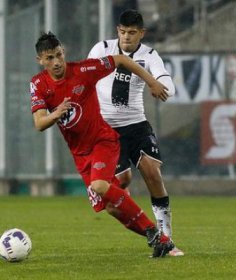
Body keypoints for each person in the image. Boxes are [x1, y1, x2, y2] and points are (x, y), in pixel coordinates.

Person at [29, 31, 174, 258]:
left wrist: (152, 82)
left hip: (103, 141)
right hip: (80, 155)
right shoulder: (38, 84)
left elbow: (122, 60)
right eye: (49, 58)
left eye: (59, 55)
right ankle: (155, 237)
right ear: (40, 60)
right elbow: (39, 123)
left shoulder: (84, 70)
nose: (56, 62)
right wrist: (56, 113)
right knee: (110, 207)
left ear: (63, 52)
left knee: (99, 186)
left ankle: (157, 234)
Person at [88, 9, 184, 256]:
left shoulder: (149, 55)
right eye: (122, 32)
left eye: (132, 33)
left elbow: (166, 81)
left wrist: (162, 86)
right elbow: (86, 79)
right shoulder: (102, 49)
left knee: (152, 171)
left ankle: (166, 238)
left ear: (142, 33)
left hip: (136, 124)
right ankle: (130, 214)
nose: (126, 37)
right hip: (106, 129)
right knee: (122, 182)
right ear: (117, 31)